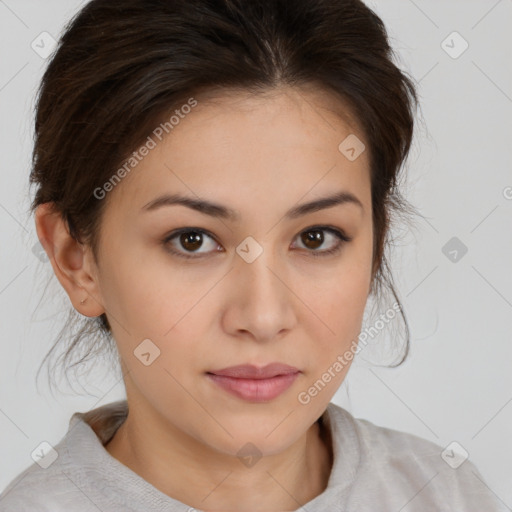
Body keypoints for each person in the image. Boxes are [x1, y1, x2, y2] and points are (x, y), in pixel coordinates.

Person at [0, 0, 507, 510]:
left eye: (316, 238)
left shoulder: (448, 495)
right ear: (75, 260)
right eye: (192, 240)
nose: (264, 317)